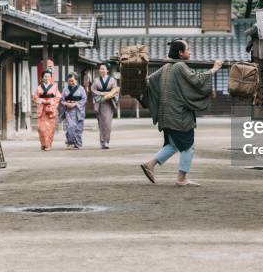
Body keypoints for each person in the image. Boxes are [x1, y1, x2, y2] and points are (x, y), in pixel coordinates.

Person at [139, 39, 222, 186]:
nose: (190, 52)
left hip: (166, 114)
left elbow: (148, 81)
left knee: (174, 145)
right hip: (178, 115)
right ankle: (181, 178)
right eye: (188, 49)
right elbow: (196, 80)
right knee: (188, 147)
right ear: (181, 53)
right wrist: (214, 69)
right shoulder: (179, 66)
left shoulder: (166, 67)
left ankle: (149, 165)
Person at [91, 62, 120, 149]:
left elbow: (115, 91)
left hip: (109, 103)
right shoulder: (96, 80)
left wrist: (109, 94)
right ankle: (102, 141)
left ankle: (106, 141)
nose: (101, 70)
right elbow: (93, 90)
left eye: (103, 68)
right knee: (101, 123)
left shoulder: (112, 80)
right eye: (100, 69)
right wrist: (102, 94)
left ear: (107, 70)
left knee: (107, 123)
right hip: (100, 103)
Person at [33, 70, 61, 151]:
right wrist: (40, 100)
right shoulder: (39, 88)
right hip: (42, 109)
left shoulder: (54, 87)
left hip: (50, 109)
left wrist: (52, 102)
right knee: (41, 128)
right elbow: (35, 97)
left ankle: (48, 145)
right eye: (45, 76)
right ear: (42, 77)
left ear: (51, 77)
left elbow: (58, 97)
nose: (47, 78)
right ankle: (43, 143)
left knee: (50, 128)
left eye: (48, 76)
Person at [59, 72, 87, 149]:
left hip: (78, 110)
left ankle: (78, 143)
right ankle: (70, 141)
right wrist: (66, 103)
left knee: (78, 128)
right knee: (70, 126)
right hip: (69, 111)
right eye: (69, 81)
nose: (71, 82)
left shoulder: (81, 89)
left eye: (72, 81)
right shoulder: (65, 89)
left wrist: (75, 104)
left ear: (76, 80)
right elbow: (61, 100)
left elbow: (84, 99)